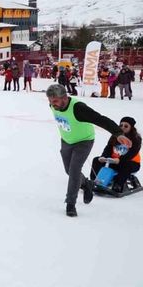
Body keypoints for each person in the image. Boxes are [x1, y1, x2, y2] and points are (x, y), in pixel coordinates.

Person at [46, 84, 131, 217]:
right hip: (66, 141)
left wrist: (118, 133)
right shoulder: (53, 105)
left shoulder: (79, 108)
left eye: (55, 101)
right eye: (50, 101)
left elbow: (100, 119)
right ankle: (87, 184)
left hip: (84, 141)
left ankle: (70, 203)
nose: (52, 104)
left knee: (74, 171)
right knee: (69, 170)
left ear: (64, 98)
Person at [90, 117, 141, 193]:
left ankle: (118, 185)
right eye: (121, 125)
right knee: (96, 160)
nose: (123, 127)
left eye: (126, 126)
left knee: (125, 165)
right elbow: (108, 148)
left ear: (132, 128)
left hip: (131, 163)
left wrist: (120, 160)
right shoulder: (115, 136)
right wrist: (103, 157)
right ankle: (94, 181)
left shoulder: (136, 138)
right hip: (114, 161)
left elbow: (132, 153)